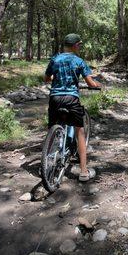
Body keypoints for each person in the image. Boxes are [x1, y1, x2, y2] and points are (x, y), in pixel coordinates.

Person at [44, 33, 102, 182]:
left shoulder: (55, 59)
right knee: (80, 132)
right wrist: (97, 85)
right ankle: (83, 172)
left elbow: (47, 78)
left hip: (55, 98)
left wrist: (56, 79)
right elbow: (90, 82)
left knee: (53, 127)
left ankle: (46, 160)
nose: (80, 47)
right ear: (75, 45)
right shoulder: (79, 61)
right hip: (71, 98)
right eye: (80, 45)